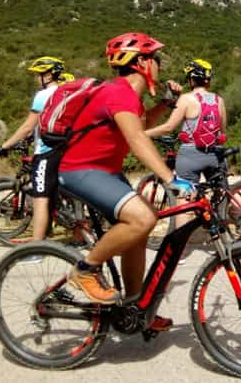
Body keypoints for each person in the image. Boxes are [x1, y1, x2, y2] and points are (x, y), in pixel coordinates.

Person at [58, 32, 193, 333]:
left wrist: (165, 104)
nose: (159, 64)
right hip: (81, 169)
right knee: (142, 218)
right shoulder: (118, 92)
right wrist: (171, 179)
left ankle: (135, 308)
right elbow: (136, 140)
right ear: (142, 62)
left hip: (103, 171)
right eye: (156, 59)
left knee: (139, 230)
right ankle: (85, 271)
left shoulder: (128, 97)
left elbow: (139, 126)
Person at [145, 59, 227, 263]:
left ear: (191, 79)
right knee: (222, 192)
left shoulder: (186, 99)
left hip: (190, 155)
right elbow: (222, 129)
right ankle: (228, 235)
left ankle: (178, 253)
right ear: (208, 80)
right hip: (215, 154)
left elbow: (168, 127)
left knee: (184, 200)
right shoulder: (219, 100)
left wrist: (143, 133)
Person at [0, 56, 69, 244]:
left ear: (49, 74)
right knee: (58, 192)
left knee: (40, 198)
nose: (37, 78)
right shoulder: (66, 92)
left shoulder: (43, 96)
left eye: (39, 75)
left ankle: (36, 247)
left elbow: (28, 126)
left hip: (45, 152)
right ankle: (72, 234)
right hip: (64, 149)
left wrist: (5, 146)